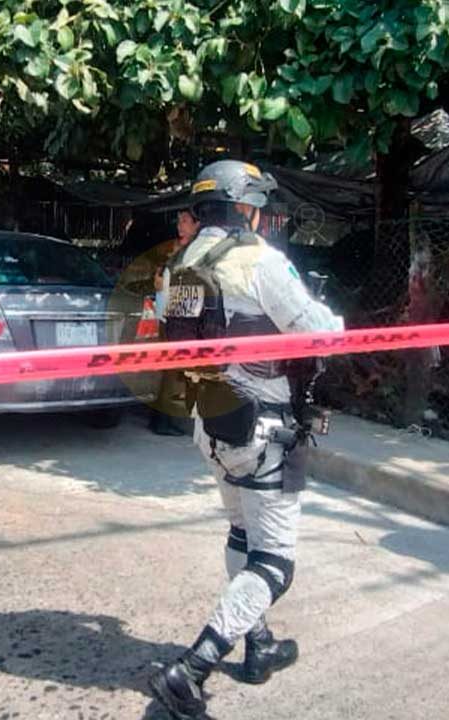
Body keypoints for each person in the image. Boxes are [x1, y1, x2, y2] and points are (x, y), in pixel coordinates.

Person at [148, 160, 342, 719]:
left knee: (241, 532)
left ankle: (259, 644)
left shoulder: (180, 265)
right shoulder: (261, 261)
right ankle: (192, 669)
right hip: (263, 428)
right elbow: (318, 333)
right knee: (275, 562)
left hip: (210, 425)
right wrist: (335, 322)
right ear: (245, 208)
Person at [148, 208, 202, 435]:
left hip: (172, 317)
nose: (180, 225)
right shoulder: (179, 251)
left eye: (185, 221)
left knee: (171, 372)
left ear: (197, 225)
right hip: (173, 318)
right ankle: (162, 421)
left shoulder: (188, 250)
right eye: (179, 221)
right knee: (172, 373)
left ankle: (162, 419)